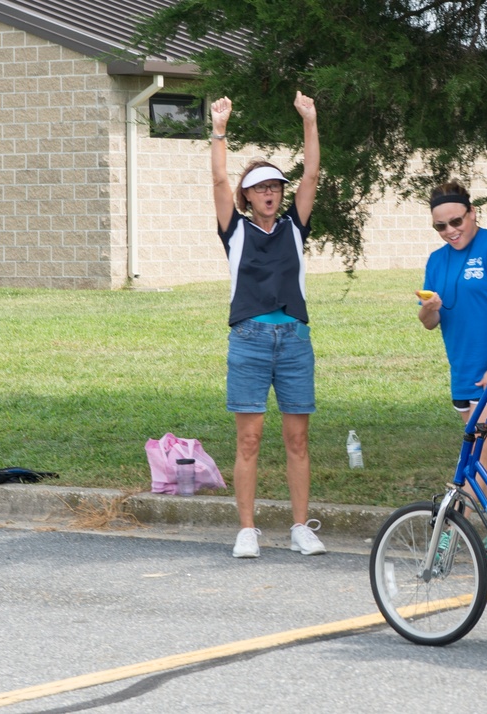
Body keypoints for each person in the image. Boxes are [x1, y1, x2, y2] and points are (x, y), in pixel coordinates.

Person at [210, 92, 326, 559]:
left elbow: (313, 174)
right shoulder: (234, 230)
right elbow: (219, 177)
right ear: (247, 196)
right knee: (250, 438)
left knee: (297, 439)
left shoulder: (294, 226)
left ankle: (301, 526)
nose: (270, 193)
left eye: (275, 186)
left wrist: (310, 122)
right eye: (260, 188)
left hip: (294, 340)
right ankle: (246, 529)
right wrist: (220, 129)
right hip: (250, 340)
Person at [417, 180, 487, 561]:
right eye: (441, 226)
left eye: (456, 221)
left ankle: (451, 532)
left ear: (472, 214)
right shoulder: (437, 260)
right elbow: (429, 322)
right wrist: (429, 308)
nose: (451, 231)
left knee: (476, 451)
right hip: (464, 368)